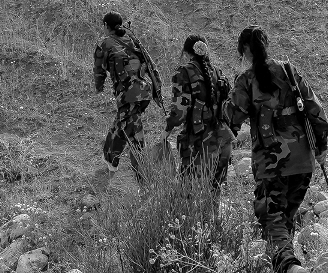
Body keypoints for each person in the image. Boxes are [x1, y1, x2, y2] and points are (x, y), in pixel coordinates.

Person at [223, 25, 328, 273]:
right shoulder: (289, 71)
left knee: (272, 221)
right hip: (303, 161)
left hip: (271, 165)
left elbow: (230, 118)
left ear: (246, 49)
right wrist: (321, 147)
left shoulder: (246, 80)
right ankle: (287, 263)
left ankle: (291, 267)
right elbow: (318, 114)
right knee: (286, 219)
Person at [163, 35, 234, 197]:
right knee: (213, 196)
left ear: (187, 53)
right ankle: (214, 222)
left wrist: (166, 131)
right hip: (223, 143)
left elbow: (179, 113)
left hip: (200, 146)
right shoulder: (217, 72)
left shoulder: (184, 73)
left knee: (186, 199)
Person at [93, 12, 159, 183]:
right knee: (121, 125)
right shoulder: (132, 39)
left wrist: (99, 87)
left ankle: (142, 174)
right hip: (143, 92)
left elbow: (99, 70)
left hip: (128, 95)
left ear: (107, 26)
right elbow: (150, 64)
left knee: (134, 133)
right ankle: (110, 161)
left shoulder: (104, 44)